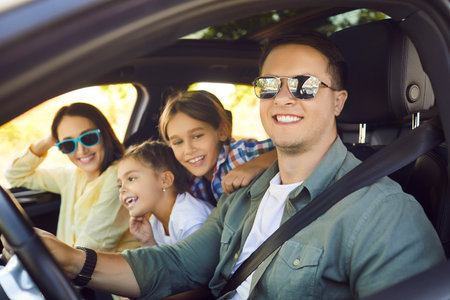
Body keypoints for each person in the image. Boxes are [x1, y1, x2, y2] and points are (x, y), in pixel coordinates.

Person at [3, 31, 446, 299]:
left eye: (306, 85)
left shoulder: (382, 215)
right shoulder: (244, 196)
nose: (284, 97)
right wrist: (73, 261)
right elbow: (179, 265)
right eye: (270, 85)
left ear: (338, 100)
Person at [4, 102, 139, 252]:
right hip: (73, 268)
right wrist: (49, 140)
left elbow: (89, 248)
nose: (81, 150)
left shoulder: (119, 178)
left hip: (102, 272)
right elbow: (15, 174)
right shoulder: (72, 176)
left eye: (88, 138)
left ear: (105, 134)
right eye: (68, 145)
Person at [158, 90, 277, 205]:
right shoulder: (191, 181)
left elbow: (289, 151)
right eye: (178, 142)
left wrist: (256, 164)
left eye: (197, 136)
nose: (188, 150)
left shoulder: (240, 153)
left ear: (222, 132)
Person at [117, 140, 214, 247]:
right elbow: (161, 261)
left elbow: (199, 263)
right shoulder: (155, 223)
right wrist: (147, 241)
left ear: (165, 180)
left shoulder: (189, 218)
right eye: (120, 185)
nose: (122, 189)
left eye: (131, 178)